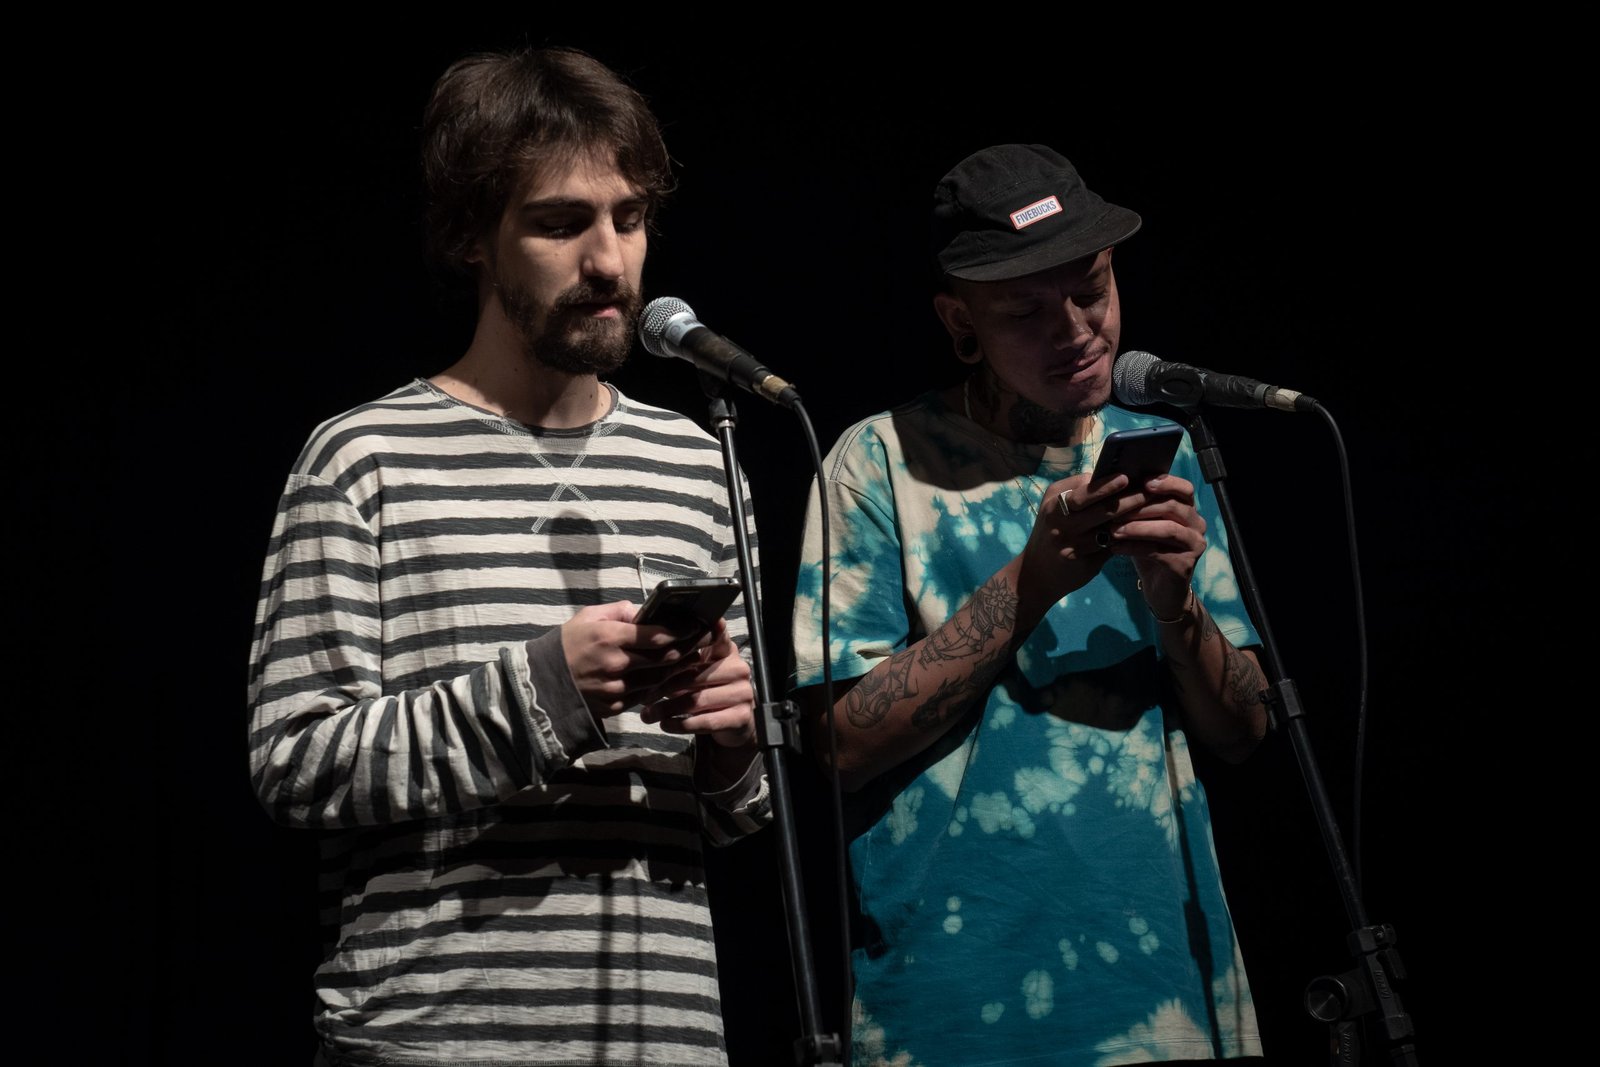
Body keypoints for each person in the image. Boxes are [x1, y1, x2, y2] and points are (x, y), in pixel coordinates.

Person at [247, 46, 770, 1066]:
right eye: (560, 222)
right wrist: (544, 686)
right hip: (436, 1036)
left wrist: (734, 749)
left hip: (660, 1035)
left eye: (628, 217)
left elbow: (738, 814)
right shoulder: (363, 459)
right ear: (470, 238)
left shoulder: (698, 463)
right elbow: (295, 762)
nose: (609, 261)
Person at [788, 144, 1270, 1065]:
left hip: (1166, 997)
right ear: (959, 323)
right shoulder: (877, 462)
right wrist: (1031, 581)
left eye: (1091, 288)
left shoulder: (1159, 451)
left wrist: (1177, 607)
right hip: (958, 1004)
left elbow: (1245, 730)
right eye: (1025, 311)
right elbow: (838, 742)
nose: (1078, 329)